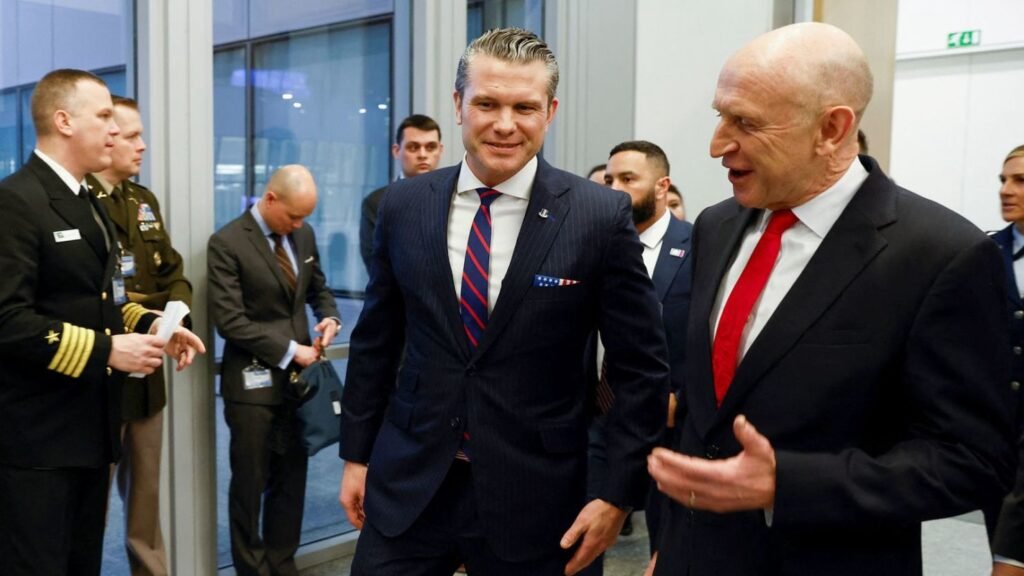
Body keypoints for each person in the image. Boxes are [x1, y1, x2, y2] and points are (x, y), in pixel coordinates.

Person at [646, 23, 1014, 576]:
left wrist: (788, 485)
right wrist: (671, 547)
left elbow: (972, 460)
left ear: (832, 128)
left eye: (746, 123)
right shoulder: (716, 226)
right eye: (721, 116)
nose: (717, 145)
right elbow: (708, 418)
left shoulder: (940, 255)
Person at [339, 27, 668, 576]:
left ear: (550, 112)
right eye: (487, 104)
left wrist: (616, 492)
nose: (505, 124)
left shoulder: (598, 215)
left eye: (525, 107)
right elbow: (376, 341)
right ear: (458, 105)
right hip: (411, 483)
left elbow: (641, 369)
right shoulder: (402, 205)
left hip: (542, 497)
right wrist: (356, 454)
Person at [0, 68, 204, 576]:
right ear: (64, 121)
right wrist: (107, 350)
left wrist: (152, 324)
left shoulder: (89, 201)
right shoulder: (16, 201)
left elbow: (103, 297)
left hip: (92, 429)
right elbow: (8, 320)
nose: (116, 130)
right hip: (38, 439)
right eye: (105, 116)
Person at [208, 165, 342, 576]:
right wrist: (290, 350)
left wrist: (330, 317)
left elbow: (318, 289)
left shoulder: (303, 235)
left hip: (298, 385)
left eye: (305, 217)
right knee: (249, 485)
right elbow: (230, 322)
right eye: (294, 216)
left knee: (292, 480)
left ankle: (283, 563)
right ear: (270, 199)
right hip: (252, 385)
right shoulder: (227, 243)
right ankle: (251, 569)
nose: (299, 225)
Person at [85, 95, 190, 576]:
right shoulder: (80, 202)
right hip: (99, 376)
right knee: (88, 511)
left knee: (145, 506)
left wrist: (174, 318)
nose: (141, 145)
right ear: (107, 140)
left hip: (147, 375)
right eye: (131, 136)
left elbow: (171, 270)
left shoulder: (142, 200)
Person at [601, 140, 692, 556]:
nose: (614, 190)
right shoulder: (592, 244)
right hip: (599, 419)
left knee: (667, 548)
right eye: (609, 180)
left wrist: (683, 400)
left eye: (627, 179)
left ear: (661, 186)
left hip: (669, 426)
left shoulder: (699, 246)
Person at [991, 144, 1024, 576]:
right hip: (998, 431)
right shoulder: (982, 252)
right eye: (1003, 180)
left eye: (1020, 181)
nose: (1005, 190)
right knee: (998, 534)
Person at [360, 114, 444, 270]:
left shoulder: (452, 198)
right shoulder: (377, 203)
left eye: (430, 147)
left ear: (440, 150)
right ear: (397, 151)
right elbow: (376, 266)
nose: (423, 155)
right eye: (413, 147)